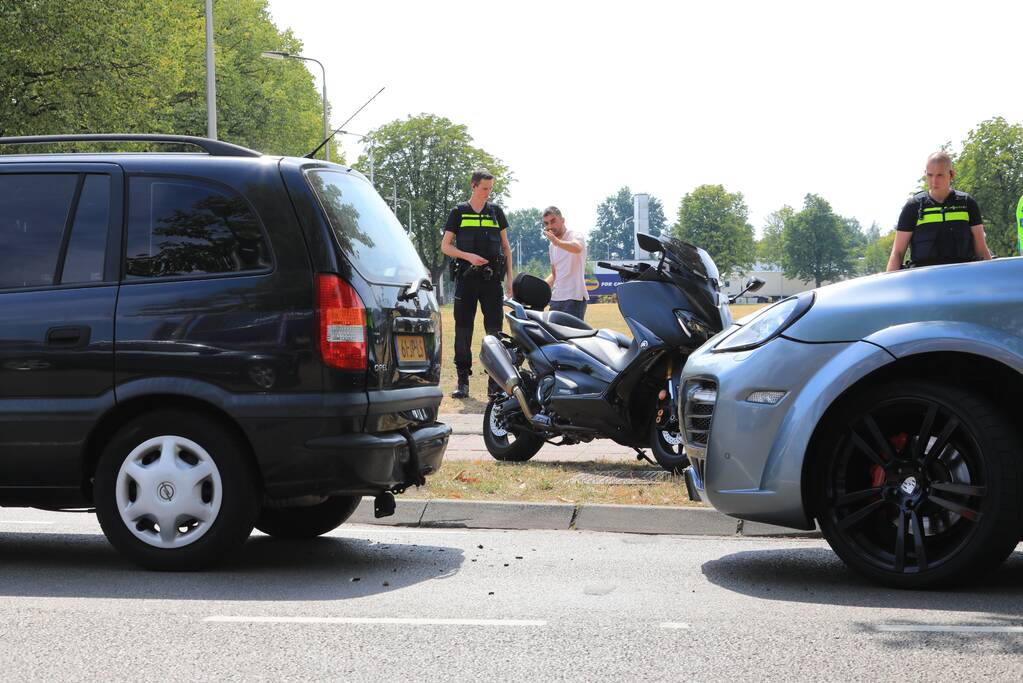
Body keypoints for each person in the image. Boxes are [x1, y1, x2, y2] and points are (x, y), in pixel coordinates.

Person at [440, 169, 514, 399]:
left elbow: (505, 247)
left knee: (495, 333)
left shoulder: (496, 213)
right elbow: (446, 246)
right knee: (463, 332)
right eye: (484, 188)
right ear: (473, 186)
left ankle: (495, 384)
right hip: (466, 279)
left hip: (492, 282)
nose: (488, 193)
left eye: (491, 189)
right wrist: (468, 257)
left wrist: (510, 280)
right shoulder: (458, 213)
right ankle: (463, 382)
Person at [886, 151, 992, 271]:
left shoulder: (967, 203)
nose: (934, 181)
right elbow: (897, 253)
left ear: (951, 174)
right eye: (930, 175)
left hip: (963, 280)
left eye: (939, 175)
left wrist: (992, 284)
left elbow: (981, 250)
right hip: (924, 283)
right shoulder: (913, 206)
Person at [542, 206, 588, 320]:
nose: (550, 227)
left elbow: (577, 248)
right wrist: (539, 286)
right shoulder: (552, 246)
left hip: (574, 298)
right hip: (556, 299)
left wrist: (557, 242)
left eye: (553, 221)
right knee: (551, 337)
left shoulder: (575, 235)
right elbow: (554, 274)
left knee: (573, 337)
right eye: (546, 223)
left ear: (562, 220)